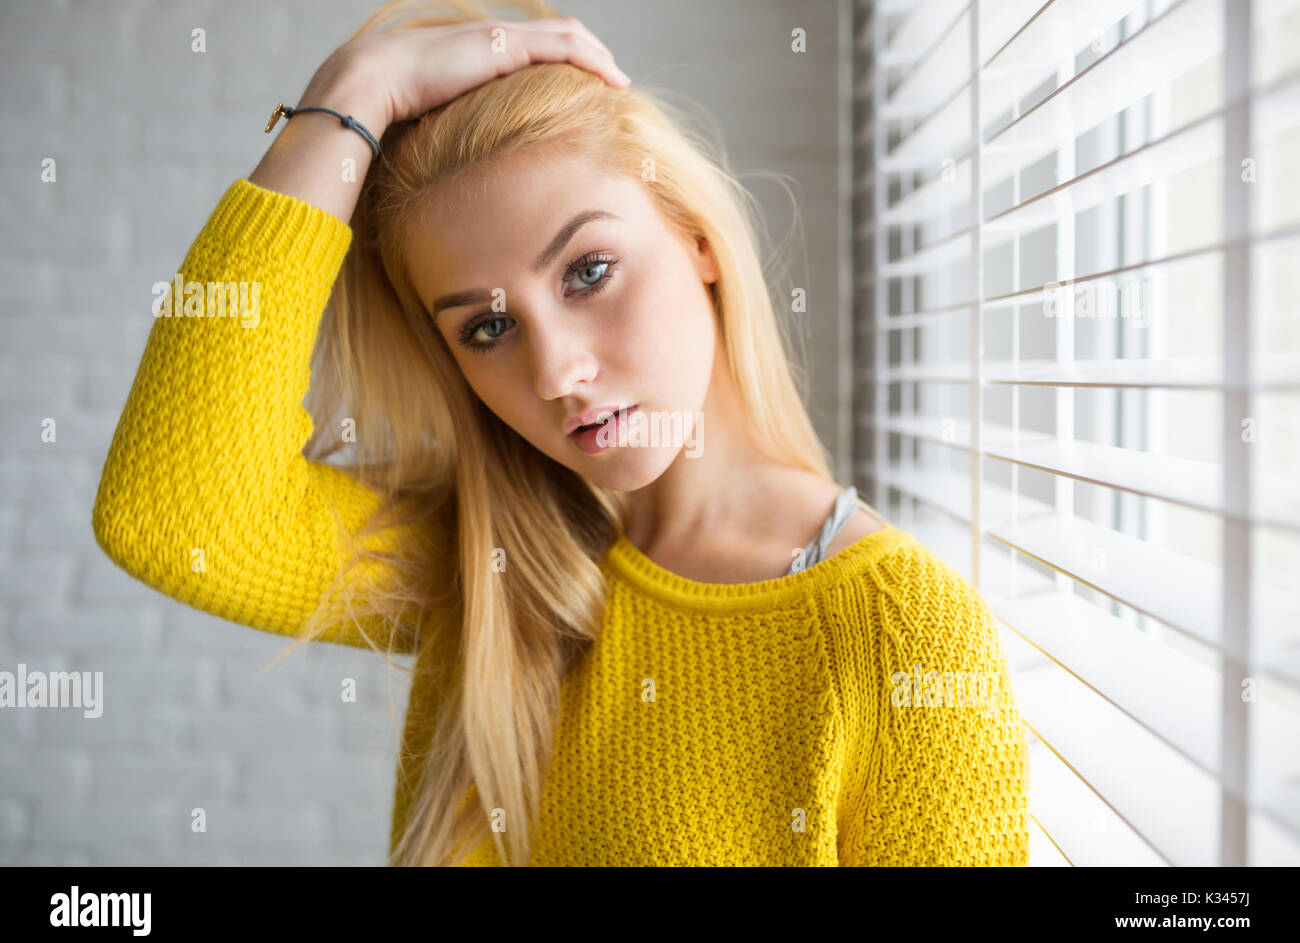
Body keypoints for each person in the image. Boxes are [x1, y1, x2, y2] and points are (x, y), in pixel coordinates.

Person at [91, 0, 1030, 867]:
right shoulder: (496, 566)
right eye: (487, 328)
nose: (555, 373)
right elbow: (172, 516)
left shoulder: (903, 637)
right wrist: (352, 96)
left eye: (588, 272)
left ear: (697, 237)